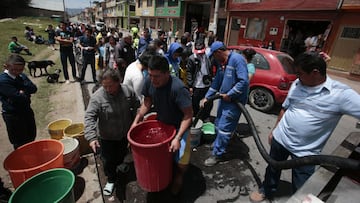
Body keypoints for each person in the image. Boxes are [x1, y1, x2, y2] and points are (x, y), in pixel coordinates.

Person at [249, 52, 360, 202]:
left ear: (315, 73)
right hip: (280, 139)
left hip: (306, 153)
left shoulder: (341, 94)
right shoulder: (297, 83)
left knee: (303, 187)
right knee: (273, 167)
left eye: (300, 73)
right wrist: (274, 131)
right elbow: (285, 108)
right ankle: (266, 190)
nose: (297, 77)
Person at [131, 54, 193, 195]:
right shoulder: (149, 81)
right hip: (162, 122)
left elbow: (188, 115)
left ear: (167, 73)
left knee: (182, 161)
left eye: (157, 76)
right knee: (162, 155)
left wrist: (177, 137)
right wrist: (136, 121)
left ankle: (178, 177)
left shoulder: (178, 89)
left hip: (179, 126)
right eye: (150, 75)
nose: (153, 80)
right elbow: (147, 103)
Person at [84, 68, 140, 196]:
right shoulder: (97, 97)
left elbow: (137, 105)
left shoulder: (127, 91)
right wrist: (92, 137)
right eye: (105, 86)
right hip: (107, 136)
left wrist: (137, 122)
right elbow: (89, 117)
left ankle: (120, 165)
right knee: (108, 160)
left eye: (111, 86)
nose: (108, 89)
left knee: (121, 154)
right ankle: (111, 179)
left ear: (118, 81)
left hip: (125, 133)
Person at [200, 41, 249, 166]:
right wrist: (206, 98)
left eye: (214, 55)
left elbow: (243, 82)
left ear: (219, 52)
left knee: (224, 128)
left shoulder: (237, 60)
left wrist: (230, 94)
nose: (213, 58)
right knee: (217, 123)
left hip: (234, 102)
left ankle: (218, 155)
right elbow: (216, 82)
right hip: (224, 99)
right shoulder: (222, 63)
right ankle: (218, 144)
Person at [0, 54, 37, 149]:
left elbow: (33, 89)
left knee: (31, 136)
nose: (17, 72)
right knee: (20, 142)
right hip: (13, 115)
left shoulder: (21, 76)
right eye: (14, 70)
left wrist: (22, 91)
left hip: (26, 111)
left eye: (20, 70)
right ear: (6, 66)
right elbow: (20, 98)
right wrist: (23, 92)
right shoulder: (3, 80)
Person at [186, 39, 213, 118]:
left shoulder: (208, 56)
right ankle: (196, 117)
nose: (200, 54)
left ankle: (205, 116)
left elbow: (210, 69)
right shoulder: (192, 58)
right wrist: (190, 85)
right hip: (197, 85)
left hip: (206, 83)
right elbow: (189, 72)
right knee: (195, 103)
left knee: (208, 102)